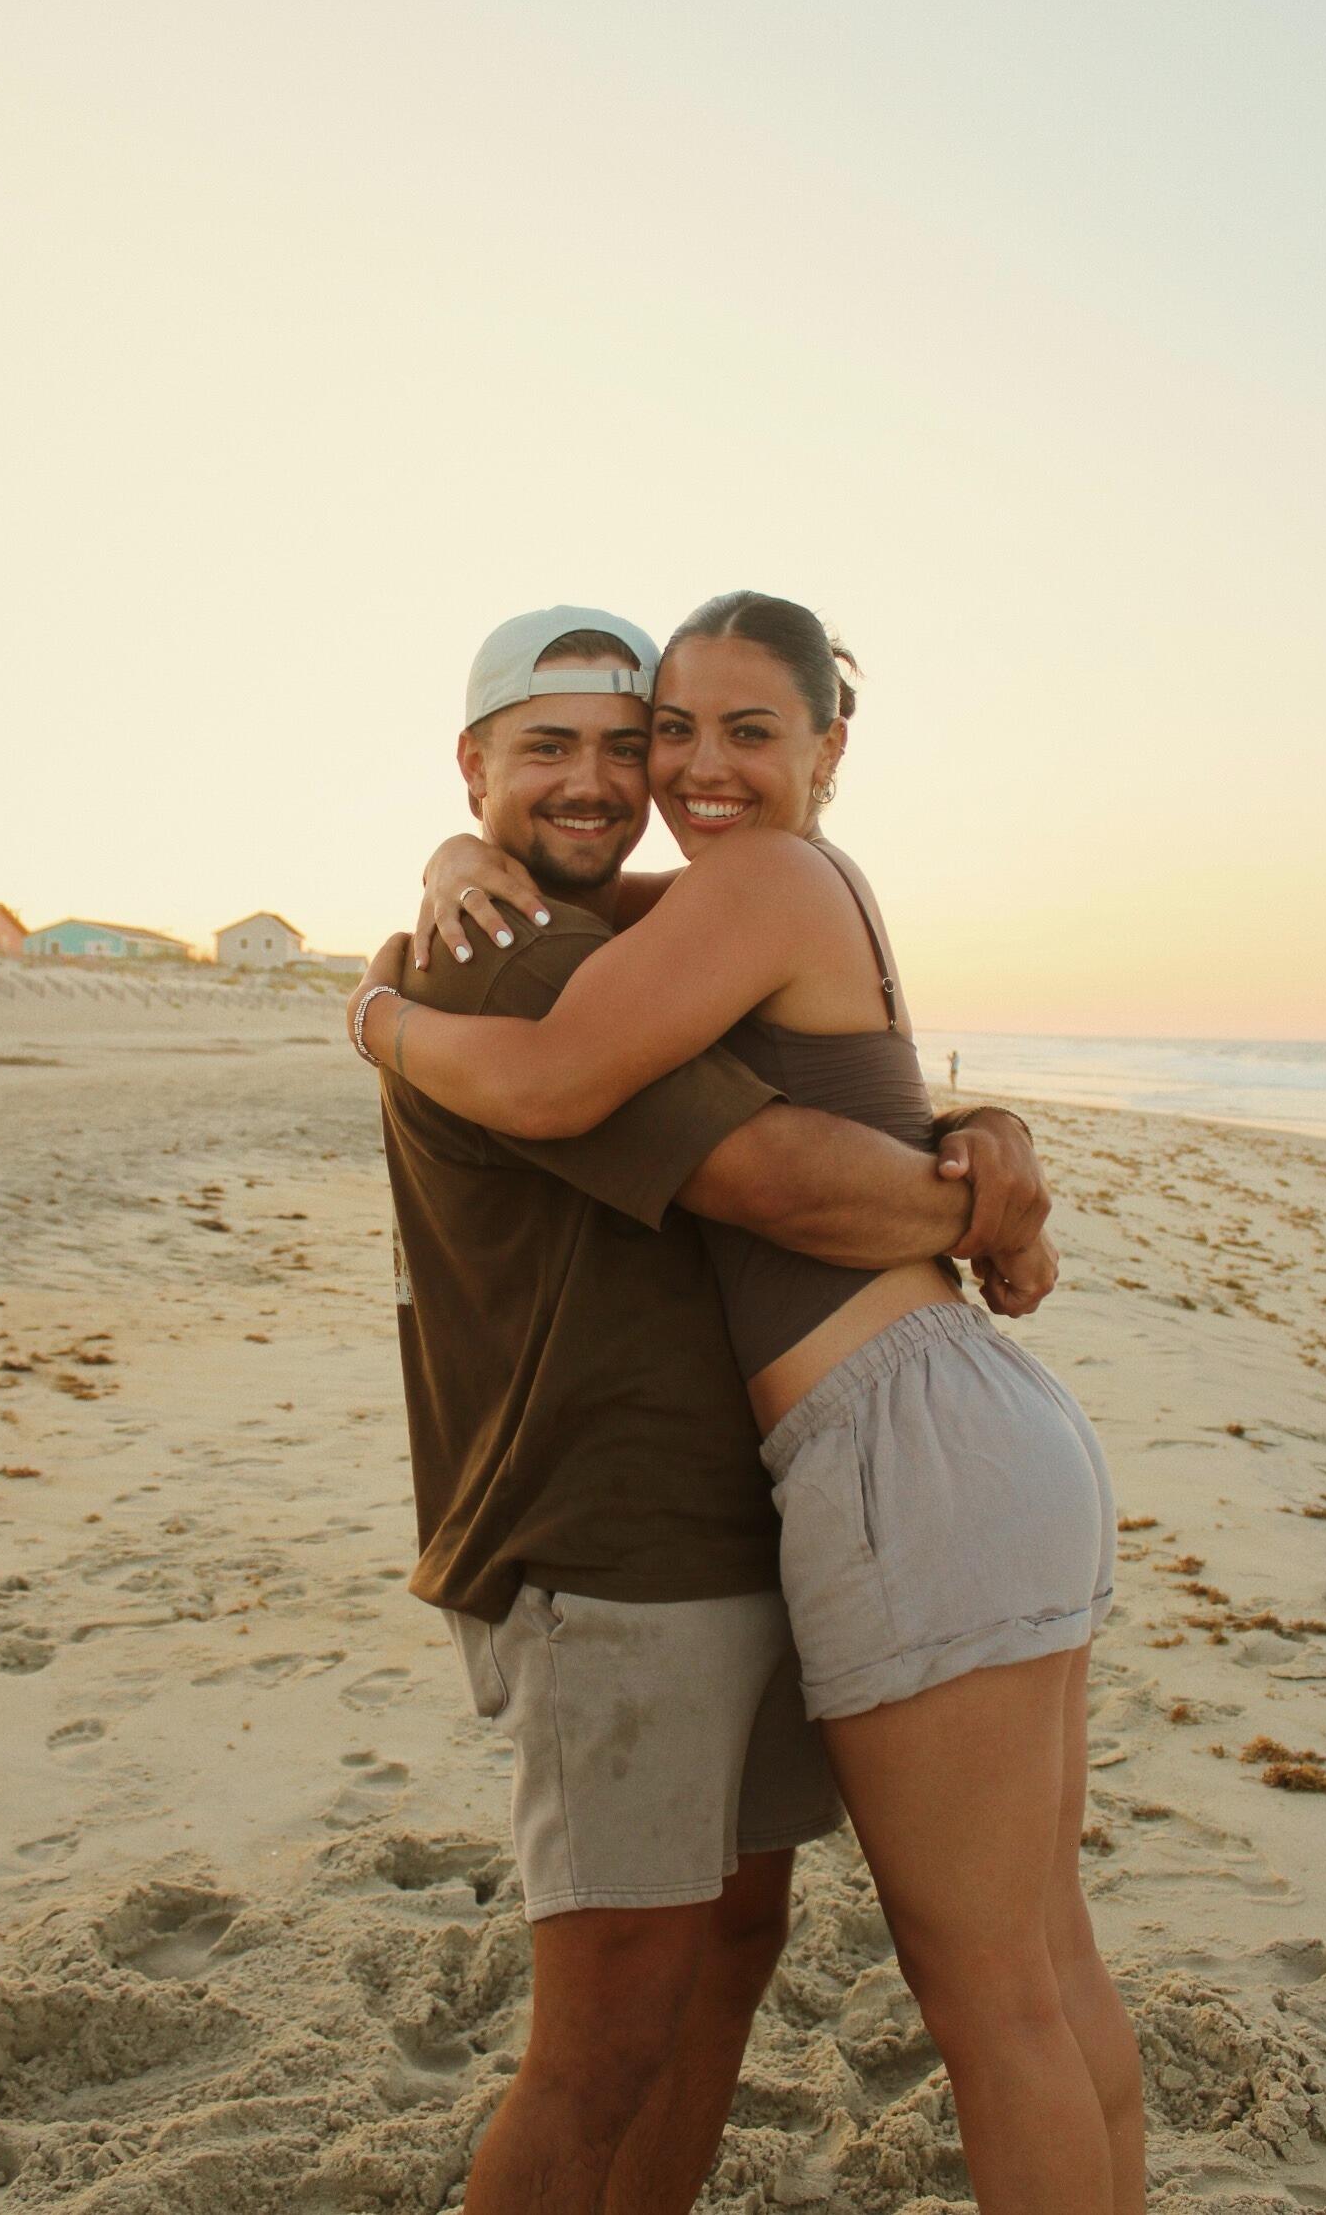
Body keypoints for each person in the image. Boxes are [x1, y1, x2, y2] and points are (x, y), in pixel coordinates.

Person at [354, 593, 1143, 2215]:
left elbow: (768, 1154)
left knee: (1001, 1994)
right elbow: (778, 1140)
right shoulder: (567, 945)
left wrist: (372, 1011)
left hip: (888, 1441)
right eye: (659, 737)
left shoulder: (727, 900)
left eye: (724, 736)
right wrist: (983, 1176)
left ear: (827, 748)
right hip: (880, 1453)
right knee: (1036, 1974)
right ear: (473, 764)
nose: (666, 773)